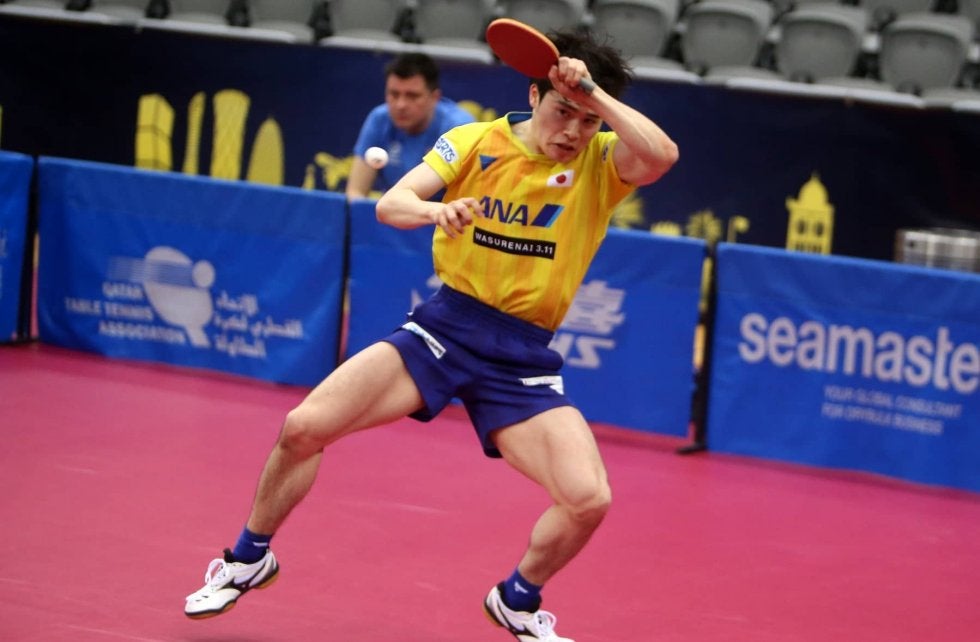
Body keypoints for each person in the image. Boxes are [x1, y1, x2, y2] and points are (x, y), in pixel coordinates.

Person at [185, 29, 678, 641]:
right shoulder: (474, 141)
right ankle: (247, 559)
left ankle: (517, 599)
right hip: (445, 329)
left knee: (588, 498)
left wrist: (591, 95)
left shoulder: (602, 164)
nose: (572, 131)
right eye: (562, 112)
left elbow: (661, 155)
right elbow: (391, 203)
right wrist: (435, 210)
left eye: (587, 120)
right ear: (534, 95)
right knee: (303, 427)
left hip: (521, 358)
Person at [345, 52, 475, 200]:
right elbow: (355, 192)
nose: (401, 105)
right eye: (394, 94)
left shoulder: (459, 128)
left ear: (434, 97)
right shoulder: (379, 119)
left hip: (442, 212)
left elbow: (467, 201)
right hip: (393, 210)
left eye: (413, 96)